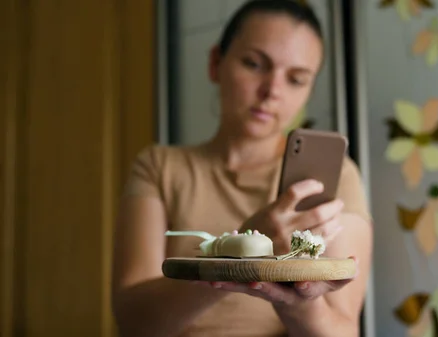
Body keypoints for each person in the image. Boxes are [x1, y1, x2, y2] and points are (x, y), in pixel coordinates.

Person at [110, 1, 373, 336]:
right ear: (215, 63)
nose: (272, 91)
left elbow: (341, 331)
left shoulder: (334, 179)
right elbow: (134, 321)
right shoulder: (160, 168)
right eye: (253, 64)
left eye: (296, 79)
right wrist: (238, 257)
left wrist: (292, 295)